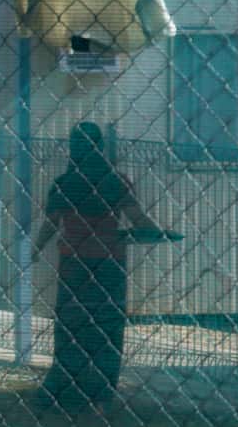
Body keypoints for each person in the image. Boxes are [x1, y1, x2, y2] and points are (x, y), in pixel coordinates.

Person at [34, 122, 159, 410]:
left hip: (74, 267)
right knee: (106, 329)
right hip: (109, 266)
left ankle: (64, 391)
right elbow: (137, 218)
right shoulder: (116, 181)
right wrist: (159, 232)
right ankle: (101, 394)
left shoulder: (65, 183)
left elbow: (51, 224)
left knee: (71, 328)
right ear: (101, 148)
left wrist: (35, 250)